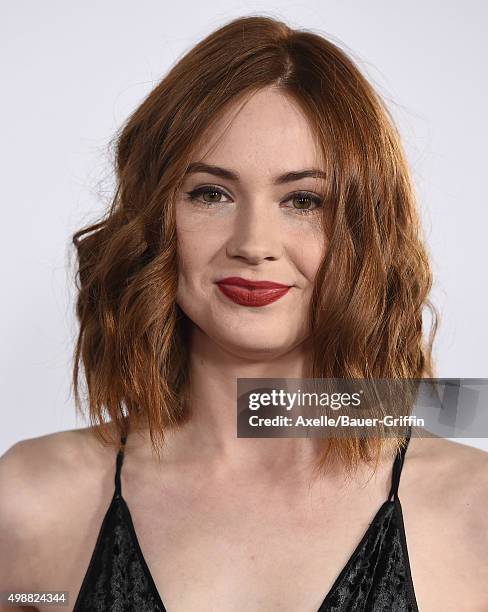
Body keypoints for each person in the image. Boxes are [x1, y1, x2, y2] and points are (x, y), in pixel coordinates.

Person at [1, 15, 487, 612]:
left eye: (303, 200)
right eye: (211, 193)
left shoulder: (475, 510)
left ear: (366, 233)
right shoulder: (30, 499)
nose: (253, 243)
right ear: (156, 218)